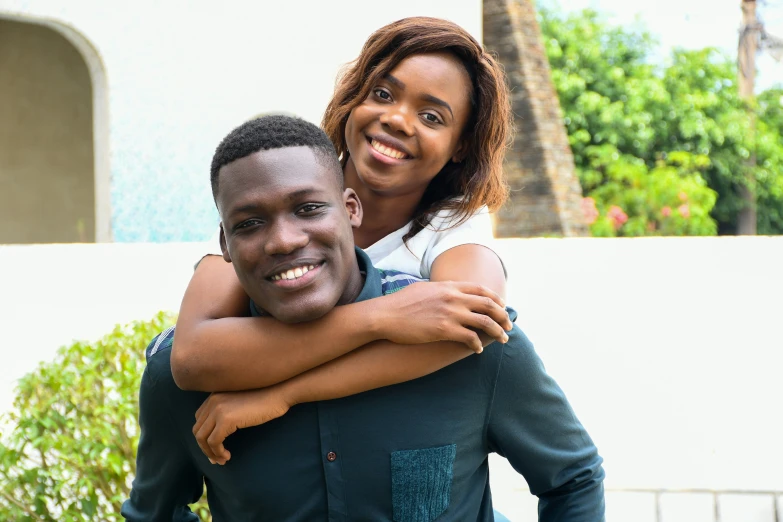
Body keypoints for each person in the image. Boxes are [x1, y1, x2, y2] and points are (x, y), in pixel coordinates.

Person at [122, 115, 605, 521]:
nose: (285, 240)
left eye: (309, 209)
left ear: (350, 210)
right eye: (250, 224)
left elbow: (572, 479)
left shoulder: (464, 341)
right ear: (224, 247)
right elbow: (153, 513)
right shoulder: (178, 381)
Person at [169, 17, 516, 411]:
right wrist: (384, 317)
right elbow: (192, 356)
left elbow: (478, 323)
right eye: (383, 94)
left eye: (432, 117)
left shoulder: (452, 224)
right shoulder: (278, 194)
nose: (397, 119)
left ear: (461, 146)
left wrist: (284, 394)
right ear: (353, 99)